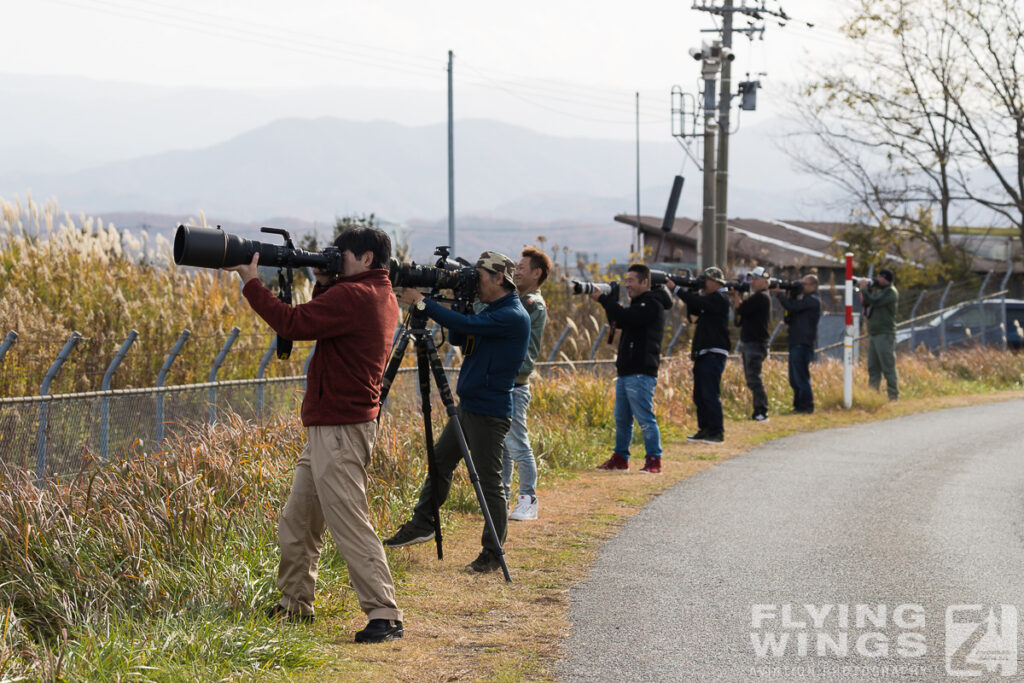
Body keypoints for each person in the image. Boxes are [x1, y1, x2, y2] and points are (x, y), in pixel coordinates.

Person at [225, 227, 404, 644]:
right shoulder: (377, 293)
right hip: (335, 425)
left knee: (349, 522)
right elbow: (328, 324)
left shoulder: (355, 296)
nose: (333, 258)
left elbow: (293, 322)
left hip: (340, 429)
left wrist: (251, 283)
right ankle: (294, 603)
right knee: (299, 519)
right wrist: (324, 282)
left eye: (339, 254)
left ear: (364, 257)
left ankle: (385, 614)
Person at [384, 251, 530, 574]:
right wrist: (457, 300)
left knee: (489, 482)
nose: (475, 284)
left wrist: (423, 302)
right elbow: (461, 336)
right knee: (440, 461)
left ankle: (493, 553)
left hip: (489, 414)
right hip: (467, 407)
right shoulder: (492, 309)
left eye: (479, 278)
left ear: (498, 279)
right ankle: (423, 524)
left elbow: (466, 324)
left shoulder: (513, 315)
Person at [594, 263, 673, 473]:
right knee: (622, 418)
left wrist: (604, 299)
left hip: (641, 372)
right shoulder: (639, 305)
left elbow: (627, 317)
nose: (627, 284)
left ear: (645, 282)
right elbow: (621, 320)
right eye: (626, 280)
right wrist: (608, 303)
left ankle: (654, 459)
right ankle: (620, 457)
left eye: (631, 280)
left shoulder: (651, 305)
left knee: (645, 418)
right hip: (627, 371)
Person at [502, 247, 550, 521]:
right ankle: (504, 495)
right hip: (509, 381)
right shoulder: (520, 298)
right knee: (505, 447)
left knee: (518, 442)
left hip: (517, 383)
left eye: (521, 267)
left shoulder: (531, 303)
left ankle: (528, 499)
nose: (516, 271)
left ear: (536, 273)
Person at [675, 266, 731, 444]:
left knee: (709, 393)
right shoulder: (710, 300)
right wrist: (691, 292)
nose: (703, 284)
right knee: (699, 394)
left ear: (715, 282)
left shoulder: (721, 298)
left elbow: (700, 303)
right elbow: (696, 309)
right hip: (703, 353)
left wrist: (677, 289)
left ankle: (716, 432)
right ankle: (704, 429)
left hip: (713, 354)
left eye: (705, 281)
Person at [730, 266, 772, 422]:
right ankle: (758, 410)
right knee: (752, 378)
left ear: (764, 281)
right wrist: (738, 297)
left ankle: (762, 411)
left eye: (755, 279)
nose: (751, 282)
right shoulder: (758, 297)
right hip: (752, 342)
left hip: (755, 343)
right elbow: (739, 318)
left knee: (754, 378)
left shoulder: (761, 297)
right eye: (751, 279)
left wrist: (736, 297)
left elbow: (742, 309)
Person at [775, 274, 821, 414]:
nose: (801, 286)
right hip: (795, 342)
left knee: (801, 377)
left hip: (803, 343)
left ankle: (807, 407)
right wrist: (790, 296)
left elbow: (792, 307)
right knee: (794, 379)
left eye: (804, 284)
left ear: (813, 286)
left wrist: (780, 296)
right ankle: (798, 406)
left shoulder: (813, 300)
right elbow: (789, 316)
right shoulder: (802, 300)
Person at [859, 269, 899, 400]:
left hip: (885, 334)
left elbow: (875, 302)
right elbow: (867, 302)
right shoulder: (878, 290)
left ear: (885, 279)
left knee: (887, 366)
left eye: (879, 277)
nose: (877, 279)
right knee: (873, 368)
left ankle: (893, 396)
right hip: (874, 333)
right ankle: (873, 396)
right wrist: (867, 289)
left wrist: (865, 289)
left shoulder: (890, 292)